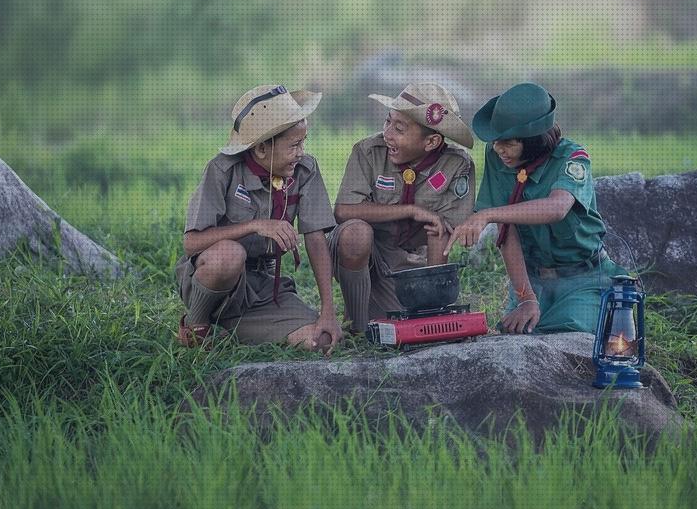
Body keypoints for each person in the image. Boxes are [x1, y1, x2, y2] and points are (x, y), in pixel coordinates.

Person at [445, 82, 626, 334]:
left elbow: (556, 208)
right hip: (532, 281)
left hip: (582, 280)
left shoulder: (572, 158)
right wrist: (526, 298)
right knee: (515, 338)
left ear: (532, 140)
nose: (499, 149)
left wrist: (487, 214)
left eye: (507, 142)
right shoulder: (498, 155)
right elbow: (507, 234)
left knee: (567, 336)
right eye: (495, 141)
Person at [175, 85, 344, 351]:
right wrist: (254, 225)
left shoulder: (305, 170)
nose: (301, 152)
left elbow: (315, 238)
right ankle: (197, 326)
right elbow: (192, 243)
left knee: (321, 341)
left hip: (262, 289)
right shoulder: (223, 170)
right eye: (294, 145)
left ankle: (234, 329)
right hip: (215, 279)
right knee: (229, 255)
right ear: (262, 148)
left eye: (303, 142)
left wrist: (328, 311)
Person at [330, 83, 476, 332]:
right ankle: (355, 322)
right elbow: (344, 210)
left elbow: (444, 230)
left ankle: (412, 308)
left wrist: (434, 301)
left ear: (431, 142)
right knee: (356, 234)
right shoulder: (368, 152)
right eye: (388, 122)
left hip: (411, 264)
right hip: (370, 255)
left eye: (399, 129)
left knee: (415, 321)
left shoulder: (456, 165)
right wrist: (409, 210)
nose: (387, 133)